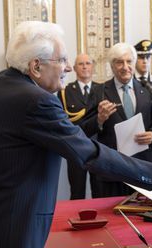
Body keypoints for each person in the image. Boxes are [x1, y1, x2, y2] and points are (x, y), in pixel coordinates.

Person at [0, 21, 152, 248]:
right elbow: (88, 153)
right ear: (36, 66)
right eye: (62, 59)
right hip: (14, 237)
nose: (68, 67)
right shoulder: (36, 101)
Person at [82, 42, 152, 198]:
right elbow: (85, 129)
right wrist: (99, 119)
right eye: (119, 62)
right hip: (111, 169)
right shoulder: (99, 91)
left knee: (141, 217)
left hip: (142, 168)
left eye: (129, 61)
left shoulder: (148, 90)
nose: (125, 67)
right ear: (112, 66)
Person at [57, 53, 100, 199]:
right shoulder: (65, 91)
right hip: (76, 148)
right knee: (76, 191)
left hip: (98, 147)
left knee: (99, 192)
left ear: (93, 66)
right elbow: (62, 119)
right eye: (81, 64)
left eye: (88, 63)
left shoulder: (103, 90)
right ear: (74, 68)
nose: (85, 67)